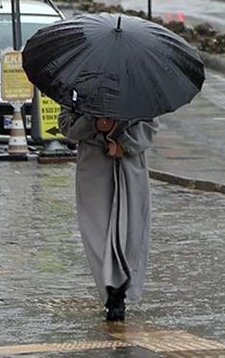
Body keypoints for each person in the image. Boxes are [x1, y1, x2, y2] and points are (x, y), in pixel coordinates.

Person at [58, 110, 158, 321]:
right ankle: (111, 291)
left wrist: (124, 144)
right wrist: (95, 125)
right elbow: (66, 125)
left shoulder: (137, 88)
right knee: (96, 230)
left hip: (131, 165)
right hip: (93, 166)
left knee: (132, 227)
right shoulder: (80, 88)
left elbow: (150, 125)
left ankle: (126, 283)